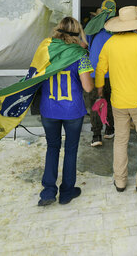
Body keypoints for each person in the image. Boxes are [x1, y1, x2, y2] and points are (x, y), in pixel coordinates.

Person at [95, 6, 137, 193]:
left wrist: (100, 91)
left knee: (120, 140)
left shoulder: (109, 44)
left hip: (118, 101)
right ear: (136, 26)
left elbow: (100, 69)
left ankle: (120, 181)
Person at [36, 17, 94, 206]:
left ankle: (48, 191)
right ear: (77, 32)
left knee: (52, 148)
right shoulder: (80, 54)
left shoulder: (45, 50)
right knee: (70, 149)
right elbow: (87, 87)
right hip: (72, 110)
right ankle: (67, 192)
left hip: (49, 108)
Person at [84, 0, 117, 146]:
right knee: (111, 101)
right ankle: (109, 130)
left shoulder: (93, 28)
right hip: (114, 72)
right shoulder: (118, 27)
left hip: (96, 73)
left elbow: (87, 45)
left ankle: (96, 136)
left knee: (97, 102)